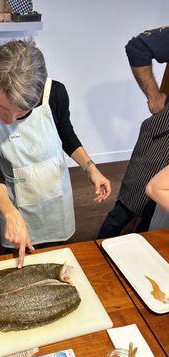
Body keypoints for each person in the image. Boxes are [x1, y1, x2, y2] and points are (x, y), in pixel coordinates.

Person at [0, 39, 111, 264]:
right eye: (2, 107)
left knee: (58, 258)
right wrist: (9, 212)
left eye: (21, 111)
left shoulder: (54, 93)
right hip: (14, 202)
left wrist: (90, 168)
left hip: (56, 196)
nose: (9, 119)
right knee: (19, 262)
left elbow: (66, 134)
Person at [98, 26, 169, 239]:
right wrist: (154, 96)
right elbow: (138, 47)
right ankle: (101, 250)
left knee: (155, 214)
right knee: (132, 202)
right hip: (165, 133)